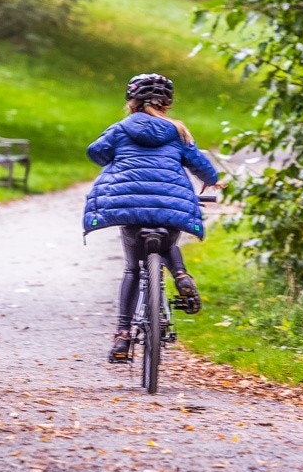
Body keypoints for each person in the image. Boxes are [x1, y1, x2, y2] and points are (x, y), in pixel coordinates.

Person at [84, 72, 223, 362]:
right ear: (166, 104)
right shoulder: (178, 131)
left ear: (131, 102)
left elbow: (96, 153)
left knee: (133, 269)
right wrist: (213, 180)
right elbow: (202, 167)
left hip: (131, 208)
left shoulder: (121, 128)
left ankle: (122, 336)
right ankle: (181, 275)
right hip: (169, 206)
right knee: (167, 234)